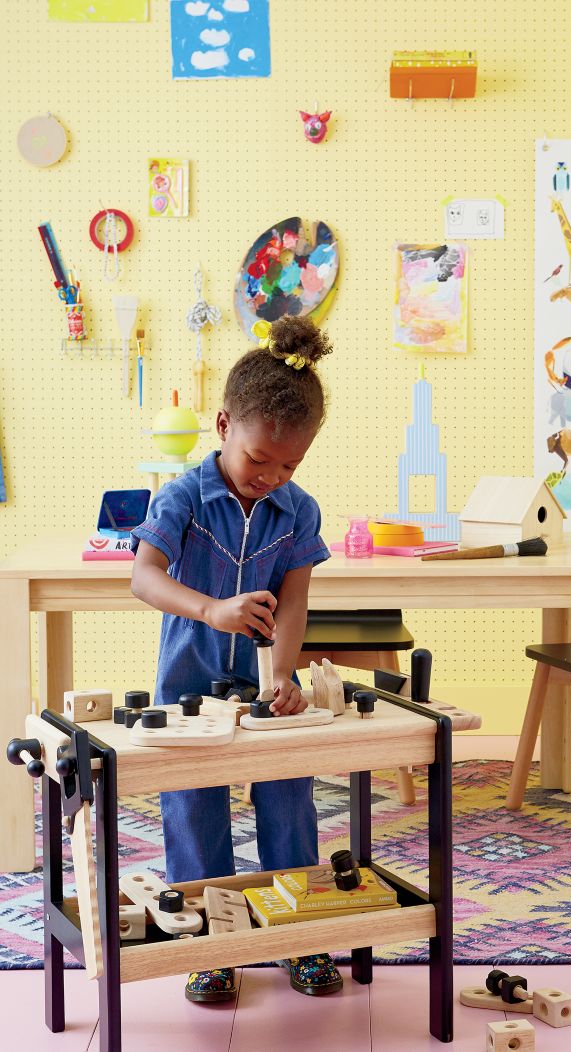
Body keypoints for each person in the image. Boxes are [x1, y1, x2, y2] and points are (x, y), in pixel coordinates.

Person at [131, 315, 340, 1003]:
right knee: (194, 810)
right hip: (187, 687)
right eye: (260, 460)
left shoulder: (298, 510)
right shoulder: (184, 496)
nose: (272, 477)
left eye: (291, 465)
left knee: (288, 800)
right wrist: (210, 609)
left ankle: (297, 937)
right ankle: (211, 943)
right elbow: (144, 577)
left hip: (261, 690)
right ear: (223, 427)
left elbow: (296, 601)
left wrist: (283, 676)